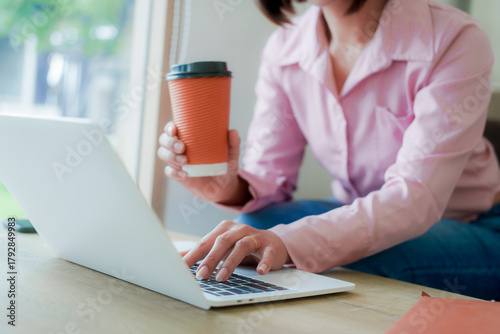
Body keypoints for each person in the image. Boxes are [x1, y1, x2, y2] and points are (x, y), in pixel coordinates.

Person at [158, 0, 500, 300]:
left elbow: (416, 200)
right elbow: (270, 179)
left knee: (345, 257)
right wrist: (224, 184)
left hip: (475, 225)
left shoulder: (452, 37)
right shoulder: (285, 47)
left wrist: (288, 243)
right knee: (250, 228)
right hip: (354, 208)